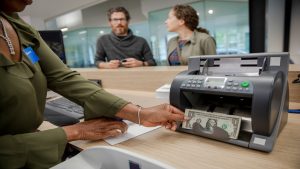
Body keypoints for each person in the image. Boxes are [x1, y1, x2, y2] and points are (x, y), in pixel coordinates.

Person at [0, 1, 187, 168]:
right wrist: (75, 132)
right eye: (114, 20)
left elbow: (63, 77)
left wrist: (139, 113)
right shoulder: (103, 41)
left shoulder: (16, 24)